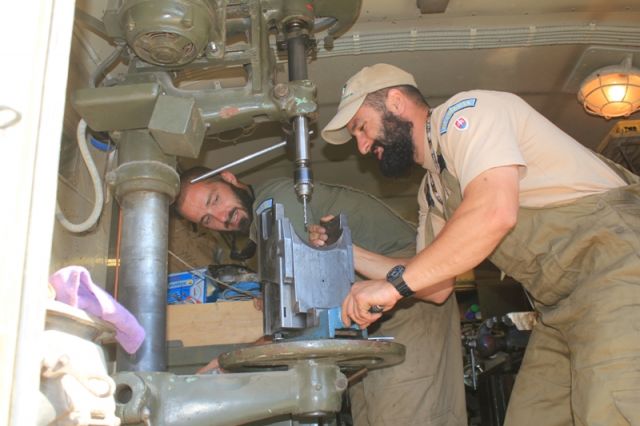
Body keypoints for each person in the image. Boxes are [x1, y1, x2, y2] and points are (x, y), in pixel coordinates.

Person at [319, 63, 640, 425]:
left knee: (616, 410)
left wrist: (392, 287)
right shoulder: (433, 191)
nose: (362, 147)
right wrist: (346, 251)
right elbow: (436, 285)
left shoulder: (467, 114)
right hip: (559, 307)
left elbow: (493, 212)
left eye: (362, 127)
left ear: (395, 102)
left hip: (617, 269)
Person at [175, 168, 467, 426]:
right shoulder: (261, 227)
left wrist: (227, 364)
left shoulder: (274, 202)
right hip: (367, 318)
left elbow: (300, 316)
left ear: (229, 178)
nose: (220, 217)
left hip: (409, 301)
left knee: (407, 415)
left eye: (215, 200)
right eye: (207, 219)